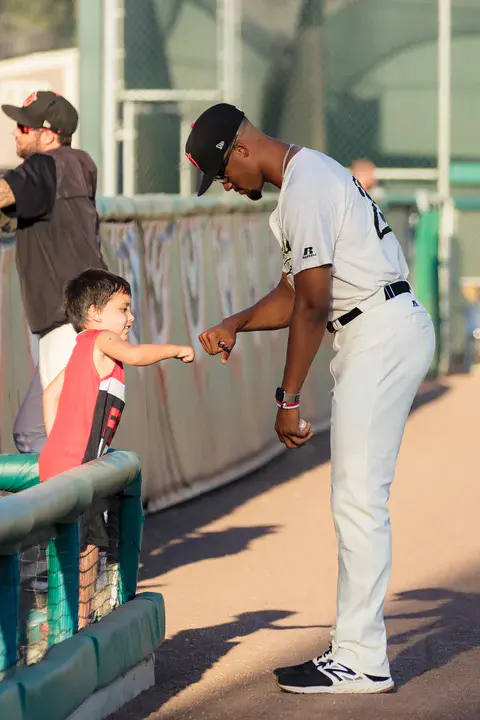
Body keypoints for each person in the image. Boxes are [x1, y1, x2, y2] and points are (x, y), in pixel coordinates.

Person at [185, 104, 435, 694]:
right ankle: (354, 646)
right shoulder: (307, 176)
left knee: (358, 501)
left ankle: (362, 657)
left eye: (223, 172)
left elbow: (314, 306)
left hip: (378, 329)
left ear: (242, 148)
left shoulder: (306, 186)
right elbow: (295, 289)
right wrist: (238, 321)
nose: (225, 184)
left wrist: (287, 395)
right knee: (356, 498)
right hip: (378, 325)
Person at [39, 268, 195, 627]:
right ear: (95, 312)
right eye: (124, 308)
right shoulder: (101, 339)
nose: (131, 317)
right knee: (86, 545)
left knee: (76, 545)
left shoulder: (82, 347)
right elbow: (138, 355)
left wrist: (55, 444)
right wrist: (176, 349)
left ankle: (67, 617)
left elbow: (50, 394)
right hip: (76, 468)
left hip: (61, 462)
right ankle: (71, 621)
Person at [0, 90, 107, 453]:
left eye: (23, 126)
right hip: (89, 318)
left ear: (47, 135)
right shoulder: (81, 164)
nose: (16, 132)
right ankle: (96, 509)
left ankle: (86, 512)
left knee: (61, 440)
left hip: (67, 325)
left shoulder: (45, 165)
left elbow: (4, 193)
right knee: (35, 432)